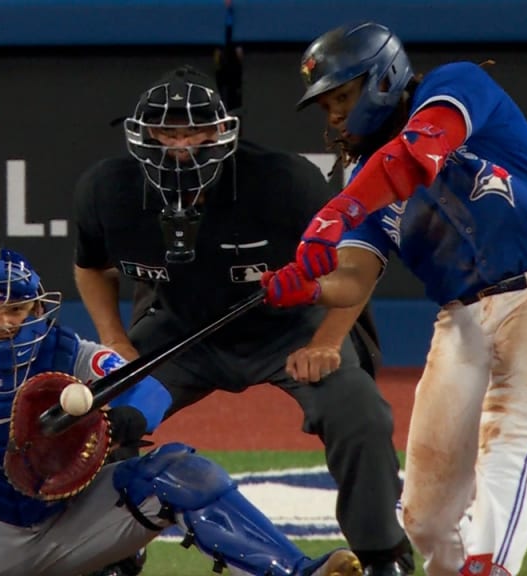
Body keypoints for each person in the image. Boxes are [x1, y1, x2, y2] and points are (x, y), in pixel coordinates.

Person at [263, 22, 527, 576]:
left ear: (382, 81)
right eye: (325, 104)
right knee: (426, 517)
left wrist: (336, 213)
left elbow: (414, 155)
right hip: (464, 321)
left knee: (509, 446)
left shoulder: (455, 85)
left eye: (341, 97)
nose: (332, 115)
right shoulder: (362, 176)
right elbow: (354, 277)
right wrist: (307, 286)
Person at [0, 247, 363, 576]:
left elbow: (151, 389)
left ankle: (296, 571)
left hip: (75, 525)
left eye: (17, 309)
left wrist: (130, 420)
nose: (3, 324)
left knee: (180, 470)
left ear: (37, 308)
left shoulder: (71, 354)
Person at [73, 65, 413, 576]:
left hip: (288, 324)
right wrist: (114, 339)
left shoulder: (284, 180)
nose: (181, 146)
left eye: (195, 131)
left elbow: (356, 264)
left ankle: (382, 554)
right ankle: (115, 545)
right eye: (168, 132)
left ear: (221, 132)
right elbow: (91, 268)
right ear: (142, 136)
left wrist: (327, 340)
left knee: (358, 410)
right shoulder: (107, 189)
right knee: (97, 410)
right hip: (180, 328)